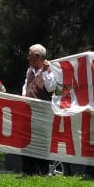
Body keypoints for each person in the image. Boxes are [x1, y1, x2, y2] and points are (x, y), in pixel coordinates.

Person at [21, 44, 61, 176]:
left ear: (37, 56)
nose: (28, 57)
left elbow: (51, 88)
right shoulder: (29, 71)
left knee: (41, 142)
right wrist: (23, 97)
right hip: (27, 113)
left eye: (30, 55)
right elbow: (26, 86)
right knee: (26, 140)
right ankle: (28, 172)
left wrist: (46, 71)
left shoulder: (51, 70)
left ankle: (42, 172)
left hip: (42, 114)